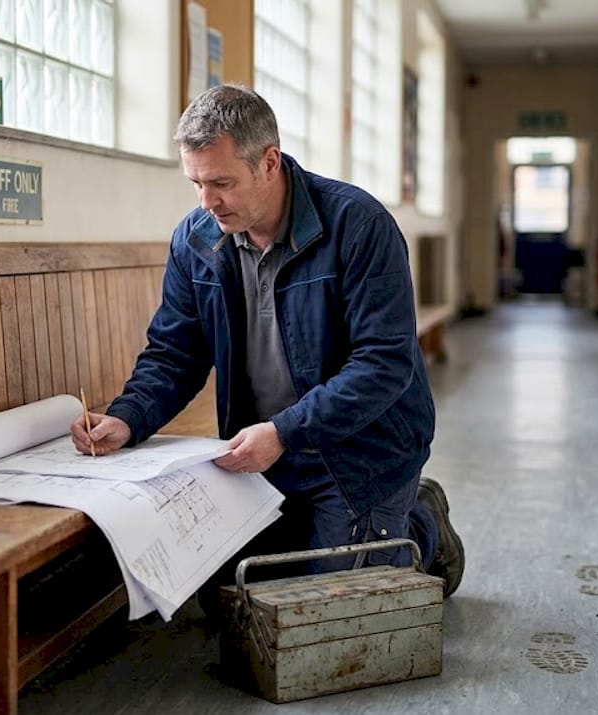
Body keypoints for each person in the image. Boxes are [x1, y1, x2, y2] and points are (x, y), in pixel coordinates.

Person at [69, 84, 463, 598]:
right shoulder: (196, 238)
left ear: (269, 162)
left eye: (222, 183)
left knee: (327, 608)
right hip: (264, 450)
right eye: (196, 183)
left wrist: (283, 431)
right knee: (232, 597)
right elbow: (175, 352)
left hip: (362, 452)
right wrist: (127, 417)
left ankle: (421, 526)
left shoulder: (360, 225)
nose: (207, 202)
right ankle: (372, 530)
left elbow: (383, 364)